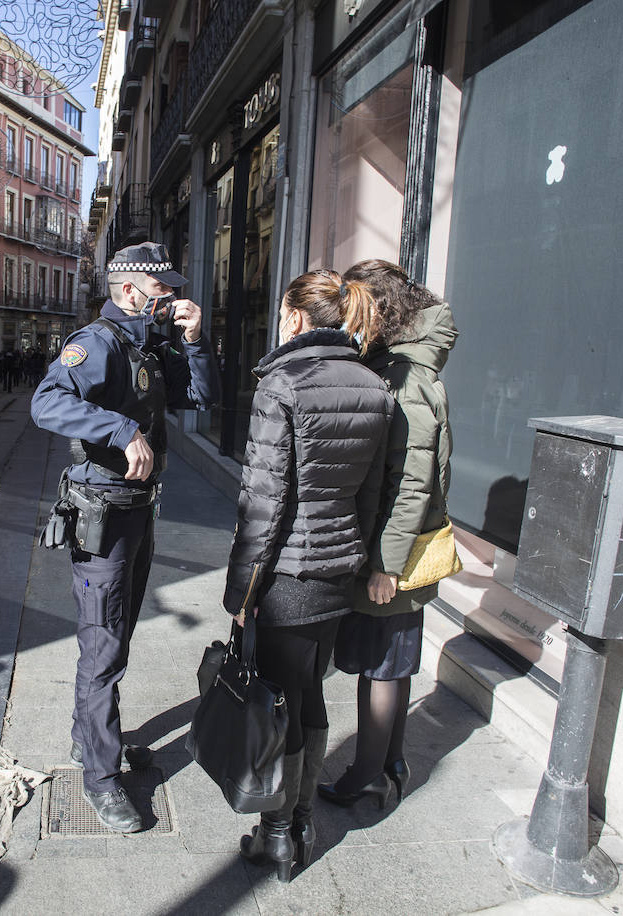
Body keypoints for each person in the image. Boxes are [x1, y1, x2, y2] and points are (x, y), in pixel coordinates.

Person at [31, 242, 219, 832]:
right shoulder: (100, 343)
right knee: (104, 647)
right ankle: (101, 777)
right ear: (131, 291)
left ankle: (90, 739)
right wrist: (121, 428)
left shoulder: (150, 344)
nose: (171, 300)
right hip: (104, 515)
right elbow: (46, 402)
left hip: (138, 511)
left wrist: (194, 340)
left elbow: (200, 398)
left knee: (118, 635)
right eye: (163, 292)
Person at [223, 269, 393, 881]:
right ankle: (298, 822)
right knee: (309, 692)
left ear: (295, 316)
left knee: (279, 701)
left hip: (287, 576)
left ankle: (280, 835)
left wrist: (240, 592)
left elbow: (263, 503)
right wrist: (360, 558)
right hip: (336, 571)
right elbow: (372, 497)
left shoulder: (283, 383)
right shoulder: (375, 386)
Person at [318, 259, 458, 812]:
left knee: (381, 666)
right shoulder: (401, 364)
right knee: (392, 663)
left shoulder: (405, 376)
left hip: (394, 551)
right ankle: (390, 762)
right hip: (398, 548)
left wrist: (385, 564)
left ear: (378, 308)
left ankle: (367, 776)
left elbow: (412, 480)